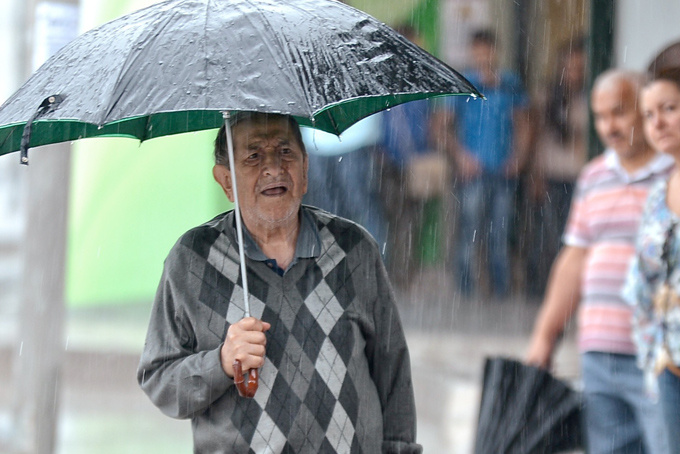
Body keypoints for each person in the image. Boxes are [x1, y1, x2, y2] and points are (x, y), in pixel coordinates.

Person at [137, 112, 421, 453]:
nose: (273, 169)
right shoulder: (192, 259)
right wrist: (221, 362)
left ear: (305, 171)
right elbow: (160, 380)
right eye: (254, 156)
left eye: (286, 152)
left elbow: (393, 372)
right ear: (226, 181)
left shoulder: (354, 249)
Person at [525, 69, 672, 453]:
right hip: (599, 352)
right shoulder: (593, 176)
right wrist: (544, 337)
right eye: (601, 116)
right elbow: (573, 260)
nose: (610, 126)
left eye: (620, 112)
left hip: (659, 356)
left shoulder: (674, 176)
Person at [433, 29, 531, 298]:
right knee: (469, 232)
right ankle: (465, 292)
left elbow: (523, 124)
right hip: (472, 172)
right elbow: (441, 126)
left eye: (487, 49)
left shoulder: (510, 82)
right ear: (471, 52)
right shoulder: (462, 82)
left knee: (500, 233)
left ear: (495, 51)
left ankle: (500, 293)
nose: (483, 55)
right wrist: (461, 156)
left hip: (503, 170)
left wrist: (519, 159)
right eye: (478, 50)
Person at [624, 67, 680, 448]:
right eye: (648, 114)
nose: (657, 122)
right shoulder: (659, 194)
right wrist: (650, 349)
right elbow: (641, 282)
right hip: (666, 360)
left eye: (670, 108)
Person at [526, 37, 588, 296]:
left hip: (580, 176)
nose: (573, 72)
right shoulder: (548, 96)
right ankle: (547, 289)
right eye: (569, 66)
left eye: (578, 67)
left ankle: (572, 291)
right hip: (552, 174)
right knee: (550, 236)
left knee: (575, 239)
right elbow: (536, 138)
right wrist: (535, 175)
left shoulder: (588, 97)